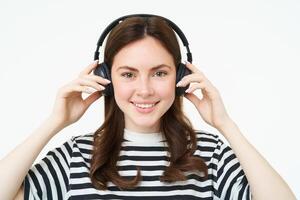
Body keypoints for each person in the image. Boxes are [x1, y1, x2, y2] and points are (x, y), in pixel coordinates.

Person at [0, 15, 296, 200]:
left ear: (181, 77)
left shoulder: (211, 155)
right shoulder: (77, 156)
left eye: (159, 73)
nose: (144, 89)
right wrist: (55, 122)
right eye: (128, 74)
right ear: (106, 78)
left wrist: (225, 124)